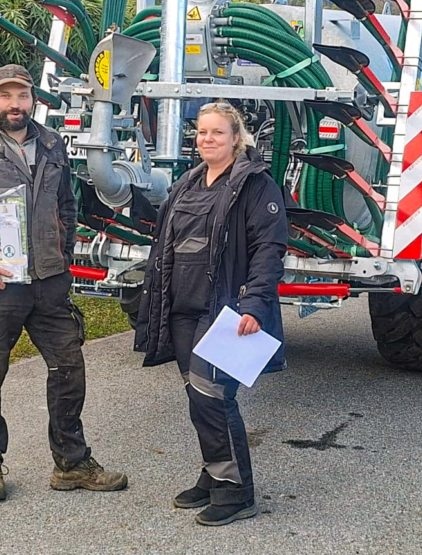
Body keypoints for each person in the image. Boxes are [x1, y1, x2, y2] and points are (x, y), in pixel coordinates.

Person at [0, 64, 127, 502]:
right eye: (5, 96)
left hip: (50, 283)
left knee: (69, 368)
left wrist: (63, 256)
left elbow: (67, 205)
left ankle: (71, 463)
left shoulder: (53, 143)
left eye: (21, 96)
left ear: (32, 98)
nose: (14, 104)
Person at [136, 100, 288, 526]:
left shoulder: (255, 185)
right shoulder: (188, 182)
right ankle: (213, 472)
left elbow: (268, 249)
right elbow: (164, 242)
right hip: (182, 307)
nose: (207, 139)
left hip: (225, 309)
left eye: (217, 132)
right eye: (202, 132)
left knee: (213, 397)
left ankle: (236, 491)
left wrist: (255, 303)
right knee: (197, 398)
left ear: (236, 138)